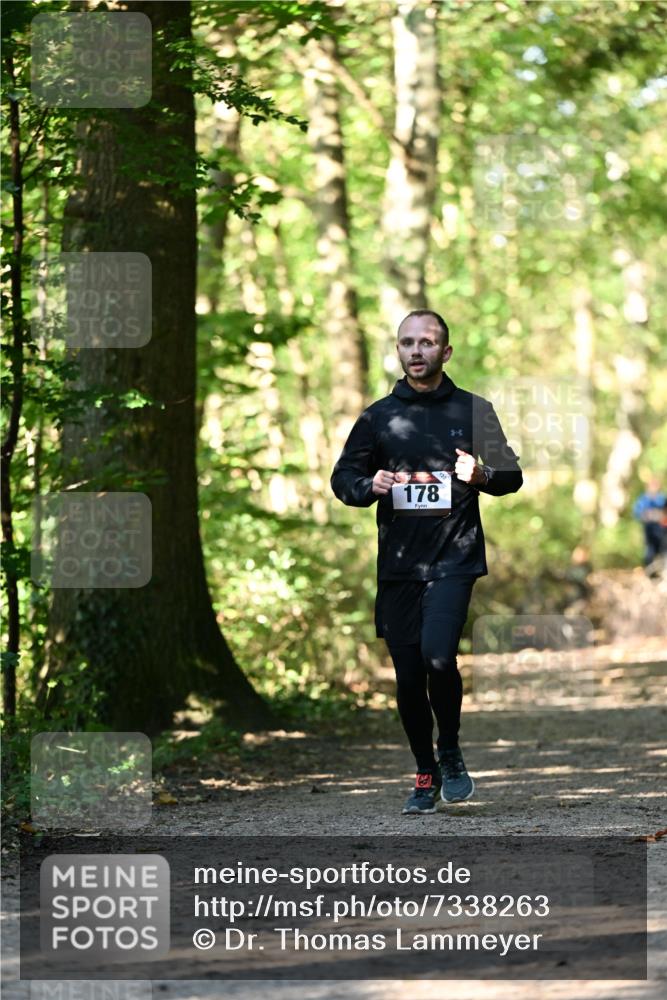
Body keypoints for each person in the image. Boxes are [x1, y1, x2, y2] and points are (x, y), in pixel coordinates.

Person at [331, 310, 523, 815]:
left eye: (427, 342)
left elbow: (511, 476)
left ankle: (451, 748)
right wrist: (366, 486)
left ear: (446, 351)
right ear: (398, 350)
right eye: (407, 343)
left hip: (454, 558)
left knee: (439, 656)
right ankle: (424, 769)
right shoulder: (377, 417)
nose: (416, 351)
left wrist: (482, 474)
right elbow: (343, 478)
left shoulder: (474, 410)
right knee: (409, 677)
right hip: (399, 566)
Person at [632, 477, 666, 570]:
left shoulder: (662, 498)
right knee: (650, 551)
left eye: (656, 486)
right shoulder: (643, 499)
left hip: (662, 530)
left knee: (663, 550)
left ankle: (662, 571)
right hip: (649, 529)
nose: (654, 488)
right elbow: (637, 513)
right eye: (652, 485)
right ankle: (650, 572)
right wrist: (647, 516)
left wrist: (660, 516)